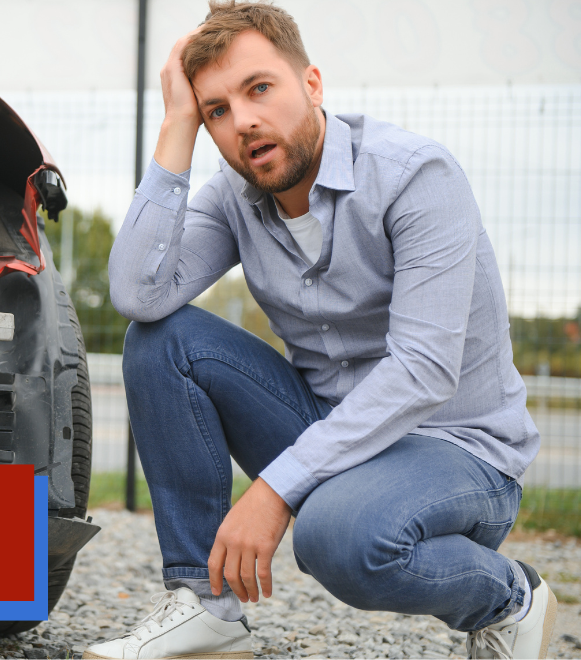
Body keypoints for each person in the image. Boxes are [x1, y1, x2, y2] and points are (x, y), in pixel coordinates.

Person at [83, 2, 557, 659]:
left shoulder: (414, 176)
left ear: (311, 85)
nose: (244, 120)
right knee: (161, 339)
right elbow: (139, 294)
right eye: (217, 109)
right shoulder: (236, 195)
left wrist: (274, 489)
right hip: (333, 429)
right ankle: (205, 606)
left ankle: (512, 597)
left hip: (459, 451)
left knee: (340, 539)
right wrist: (176, 123)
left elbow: (423, 371)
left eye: (259, 89)